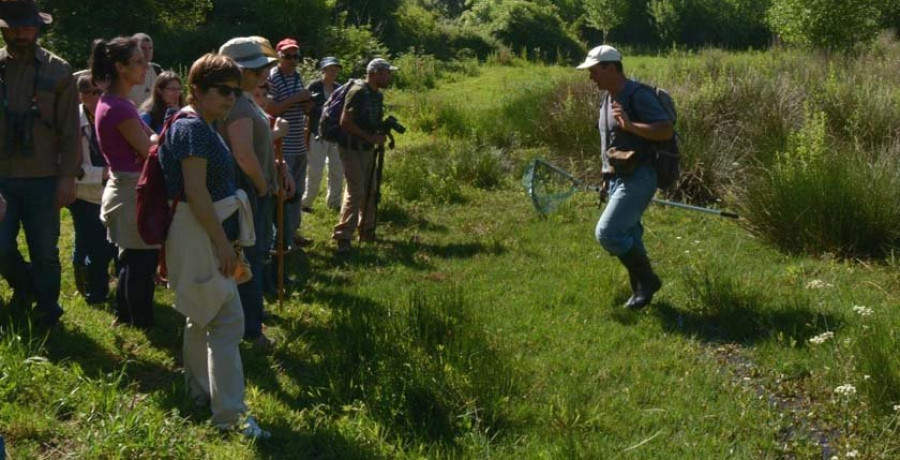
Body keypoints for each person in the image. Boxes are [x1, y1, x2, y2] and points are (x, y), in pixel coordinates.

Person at [158, 52, 269, 440]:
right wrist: (224, 245)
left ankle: (199, 392)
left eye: (236, 93)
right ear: (197, 90)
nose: (230, 100)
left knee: (200, 314)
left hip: (202, 230)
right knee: (227, 320)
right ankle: (231, 415)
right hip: (200, 231)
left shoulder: (202, 124)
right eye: (223, 91)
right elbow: (196, 193)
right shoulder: (192, 128)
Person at [0, 1, 79, 327]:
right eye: (16, 28)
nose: (23, 34)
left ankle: (48, 308)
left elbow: (71, 131)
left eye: (29, 27)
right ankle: (25, 287)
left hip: (44, 177)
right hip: (2, 177)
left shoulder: (58, 71)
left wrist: (67, 178)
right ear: (4, 29)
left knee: (45, 249)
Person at [577, 45, 673, 309]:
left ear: (610, 67)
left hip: (641, 176)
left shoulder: (637, 96)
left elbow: (664, 130)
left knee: (608, 233)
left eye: (594, 71)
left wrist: (631, 126)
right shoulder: (607, 99)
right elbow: (608, 143)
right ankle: (640, 295)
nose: (591, 77)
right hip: (617, 177)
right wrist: (606, 177)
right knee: (630, 234)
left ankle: (648, 281)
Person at [218, 37, 281, 349]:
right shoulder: (239, 106)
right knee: (251, 258)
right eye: (256, 71)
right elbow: (244, 155)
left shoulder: (241, 101)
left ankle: (247, 321)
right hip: (247, 192)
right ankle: (252, 330)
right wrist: (262, 185)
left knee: (252, 256)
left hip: (249, 190)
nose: (262, 75)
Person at [92, 36, 158, 329]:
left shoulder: (118, 102)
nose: (145, 66)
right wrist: (156, 140)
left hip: (126, 186)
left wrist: (153, 140)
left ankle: (125, 315)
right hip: (131, 189)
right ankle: (141, 323)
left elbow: (148, 142)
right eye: (138, 62)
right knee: (140, 261)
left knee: (132, 258)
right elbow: (149, 150)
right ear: (120, 67)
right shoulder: (119, 107)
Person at [331, 58, 396, 254]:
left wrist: (382, 132)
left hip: (367, 149)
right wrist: (370, 136)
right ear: (374, 73)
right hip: (351, 149)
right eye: (387, 72)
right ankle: (343, 235)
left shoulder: (377, 95)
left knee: (370, 190)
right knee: (356, 190)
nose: (389, 76)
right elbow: (345, 122)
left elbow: (371, 121)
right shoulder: (358, 92)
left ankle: (366, 230)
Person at [71, 74, 116, 304]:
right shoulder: (72, 122)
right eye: (90, 92)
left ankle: (95, 284)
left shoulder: (109, 115)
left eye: (99, 92)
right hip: (84, 194)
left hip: (110, 192)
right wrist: (102, 174)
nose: (96, 97)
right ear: (81, 95)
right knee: (92, 244)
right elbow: (70, 166)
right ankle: (91, 290)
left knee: (107, 245)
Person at [266, 38, 313, 250]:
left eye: (296, 56)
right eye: (288, 56)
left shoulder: (296, 77)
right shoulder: (273, 79)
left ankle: (293, 233)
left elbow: (300, 107)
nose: (293, 60)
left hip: (299, 141)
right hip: (283, 144)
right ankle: (282, 238)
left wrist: (308, 104)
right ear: (279, 56)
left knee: (298, 191)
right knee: (285, 192)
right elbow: (272, 110)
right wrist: (297, 98)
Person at [301, 56, 344, 212]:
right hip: (316, 133)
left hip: (335, 135)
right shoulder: (314, 86)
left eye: (336, 69)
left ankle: (334, 202)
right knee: (315, 170)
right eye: (330, 69)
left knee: (337, 170)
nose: (333, 72)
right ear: (323, 70)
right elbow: (306, 108)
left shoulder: (340, 89)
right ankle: (306, 202)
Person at [128, 33, 162, 107]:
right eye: (143, 48)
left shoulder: (157, 71)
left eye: (150, 48)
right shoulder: (124, 72)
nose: (147, 52)